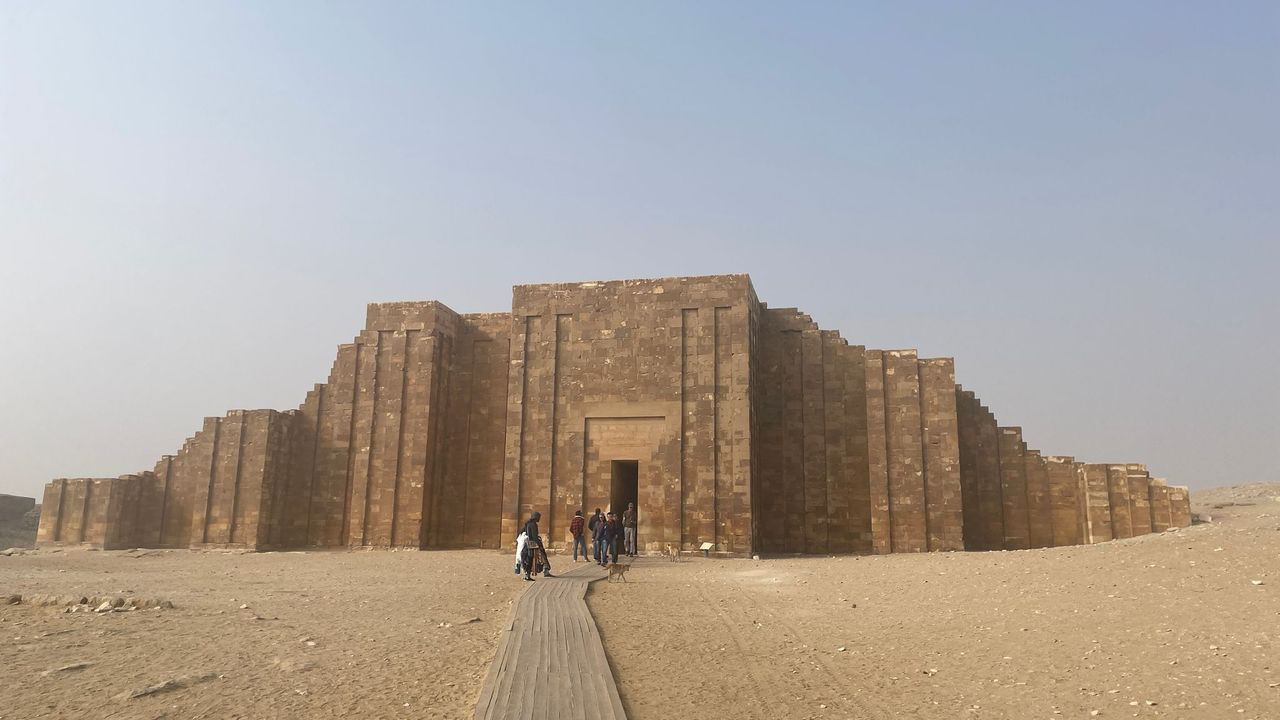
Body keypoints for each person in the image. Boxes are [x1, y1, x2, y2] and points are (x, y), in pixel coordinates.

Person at [521, 511, 553, 581]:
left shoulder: (528, 524)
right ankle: (545, 571)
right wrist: (539, 545)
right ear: (536, 517)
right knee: (541, 557)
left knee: (528, 559)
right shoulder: (533, 524)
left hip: (528, 544)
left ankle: (528, 574)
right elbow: (534, 536)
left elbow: (522, 532)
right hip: (533, 544)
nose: (539, 519)